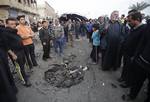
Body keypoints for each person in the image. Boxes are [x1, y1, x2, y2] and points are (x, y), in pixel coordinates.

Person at [121, 11, 148, 101]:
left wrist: (136, 55)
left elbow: (140, 44)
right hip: (129, 53)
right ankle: (125, 81)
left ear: (137, 20)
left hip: (134, 56)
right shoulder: (134, 28)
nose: (129, 23)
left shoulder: (144, 28)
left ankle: (128, 82)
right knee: (127, 69)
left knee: (131, 71)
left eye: (130, 21)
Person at [5, 18, 31, 87]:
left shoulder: (14, 31)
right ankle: (24, 81)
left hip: (21, 50)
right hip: (15, 53)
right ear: (7, 24)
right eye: (11, 24)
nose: (14, 25)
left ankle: (24, 75)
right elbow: (6, 46)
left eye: (14, 24)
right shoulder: (5, 33)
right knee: (19, 67)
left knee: (23, 65)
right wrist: (13, 54)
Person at [0, 22, 18, 102]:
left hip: (1, 58)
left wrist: (12, 54)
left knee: (4, 78)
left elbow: (5, 44)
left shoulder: (2, 31)